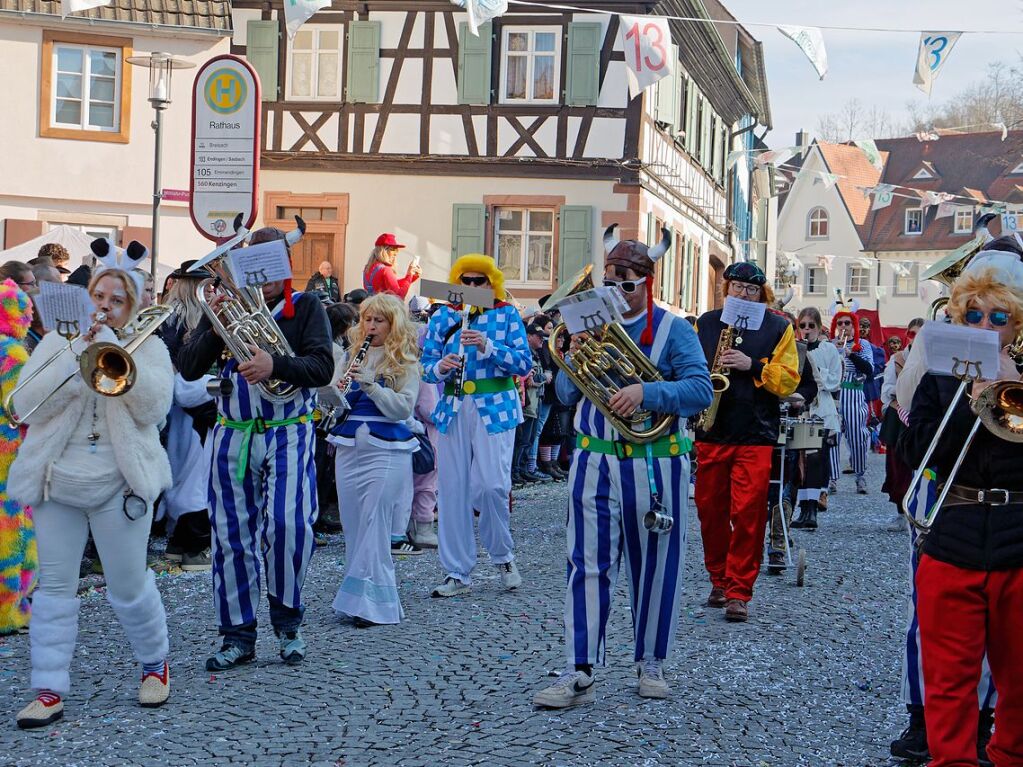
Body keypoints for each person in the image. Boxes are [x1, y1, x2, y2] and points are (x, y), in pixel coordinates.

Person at [532, 226, 712, 708]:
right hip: (594, 458)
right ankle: (580, 666)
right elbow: (566, 395)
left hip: (655, 463)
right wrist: (570, 359)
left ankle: (650, 661)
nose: (616, 291)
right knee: (585, 564)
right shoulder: (587, 327)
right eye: (609, 282)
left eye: (626, 283)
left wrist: (646, 392)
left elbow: (700, 389)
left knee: (655, 566)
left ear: (646, 284)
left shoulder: (676, 330)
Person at [9, 251, 174, 727]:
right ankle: (47, 689)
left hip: (120, 484)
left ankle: (154, 664)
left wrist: (113, 356)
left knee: (127, 584)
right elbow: (25, 407)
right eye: (98, 296)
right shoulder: (56, 345)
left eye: (116, 300)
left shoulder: (149, 349)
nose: (104, 306)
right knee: (55, 587)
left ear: (133, 305)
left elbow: (153, 411)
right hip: (56, 480)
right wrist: (71, 359)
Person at [177, 226, 334, 672]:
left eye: (269, 265)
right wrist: (215, 321)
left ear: (284, 266)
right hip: (234, 431)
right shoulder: (227, 308)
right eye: (252, 265)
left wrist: (275, 364)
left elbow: (322, 366)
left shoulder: (305, 307)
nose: (261, 276)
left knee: (288, 525)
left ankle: (288, 624)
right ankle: (237, 635)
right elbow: (188, 367)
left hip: (289, 429)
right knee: (230, 536)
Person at [897, 249, 1023, 767]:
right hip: (953, 533)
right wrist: (970, 400)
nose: (986, 327)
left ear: (1017, 323)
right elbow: (917, 455)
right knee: (949, 679)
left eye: (999, 317)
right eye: (973, 315)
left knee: (1019, 678)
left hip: (1018, 538)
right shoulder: (939, 372)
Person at [693, 261, 799, 623]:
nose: (742, 294)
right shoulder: (705, 323)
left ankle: (739, 590)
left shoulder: (778, 327)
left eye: (750, 289)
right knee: (710, 512)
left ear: (761, 294)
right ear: (726, 289)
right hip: (711, 431)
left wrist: (752, 365)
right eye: (736, 287)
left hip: (756, 434)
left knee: (748, 515)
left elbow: (788, 382)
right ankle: (718, 580)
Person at [421, 254, 532, 598]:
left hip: (495, 406)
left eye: (478, 282)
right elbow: (425, 366)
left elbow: (524, 362)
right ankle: (457, 570)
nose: (471, 287)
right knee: (452, 491)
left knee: (492, 487)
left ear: (490, 284)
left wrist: (488, 345)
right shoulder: (442, 316)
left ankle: (502, 555)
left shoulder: (506, 314)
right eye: (465, 281)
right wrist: (440, 366)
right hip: (453, 406)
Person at [328, 294, 420, 626]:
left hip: (387, 449)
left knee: (374, 523)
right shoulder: (350, 355)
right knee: (353, 523)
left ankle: (371, 603)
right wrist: (333, 392)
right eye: (367, 319)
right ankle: (358, 598)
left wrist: (372, 388)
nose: (370, 326)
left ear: (393, 324)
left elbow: (403, 408)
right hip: (350, 445)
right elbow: (336, 402)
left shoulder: (405, 360)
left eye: (379, 320)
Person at [158, 261, 215, 570]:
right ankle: (194, 545)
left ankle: (180, 543)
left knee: (184, 471)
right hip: (193, 404)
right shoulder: (183, 320)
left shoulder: (170, 317)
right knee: (198, 474)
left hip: (179, 408)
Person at [0, 279, 36, 636]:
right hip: (9, 455)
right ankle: (9, 609)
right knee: (12, 530)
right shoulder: (12, 353)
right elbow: (22, 407)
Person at [790, 307, 841, 531]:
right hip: (800, 409)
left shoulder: (828, 349)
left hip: (821, 408)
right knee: (799, 461)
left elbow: (834, 380)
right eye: (803, 325)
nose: (807, 330)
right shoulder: (794, 349)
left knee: (816, 459)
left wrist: (815, 370)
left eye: (811, 326)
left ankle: (812, 508)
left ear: (819, 328)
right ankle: (802, 508)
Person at [829, 310, 874, 495]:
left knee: (857, 438)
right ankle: (831, 478)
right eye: (840, 323)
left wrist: (851, 354)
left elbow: (869, 370)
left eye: (847, 323)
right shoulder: (830, 344)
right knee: (831, 438)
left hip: (854, 394)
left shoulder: (862, 345)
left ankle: (860, 475)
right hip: (834, 396)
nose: (844, 327)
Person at [364, 234, 421, 299]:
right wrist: (409, 275)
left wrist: (411, 278)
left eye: (397, 250)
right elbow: (399, 297)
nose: (396, 253)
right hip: (384, 308)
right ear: (383, 251)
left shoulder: (367, 268)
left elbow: (392, 285)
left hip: (370, 307)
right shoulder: (385, 269)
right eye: (393, 249)